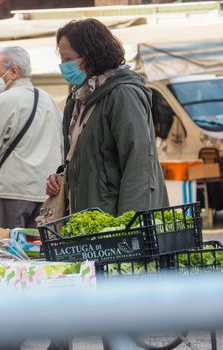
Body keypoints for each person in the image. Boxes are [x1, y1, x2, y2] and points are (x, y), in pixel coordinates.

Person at [46, 18, 169, 217]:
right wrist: (61, 177)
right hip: (86, 217)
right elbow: (84, 157)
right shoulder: (77, 100)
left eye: (68, 60)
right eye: (61, 60)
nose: (63, 66)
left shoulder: (123, 95)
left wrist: (129, 225)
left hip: (113, 221)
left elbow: (138, 165)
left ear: (91, 56)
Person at [0, 46, 63, 230]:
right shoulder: (49, 101)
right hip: (47, 195)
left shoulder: (5, 100)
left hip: (12, 193)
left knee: (4, 252)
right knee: (39, 253)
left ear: (13, 71)